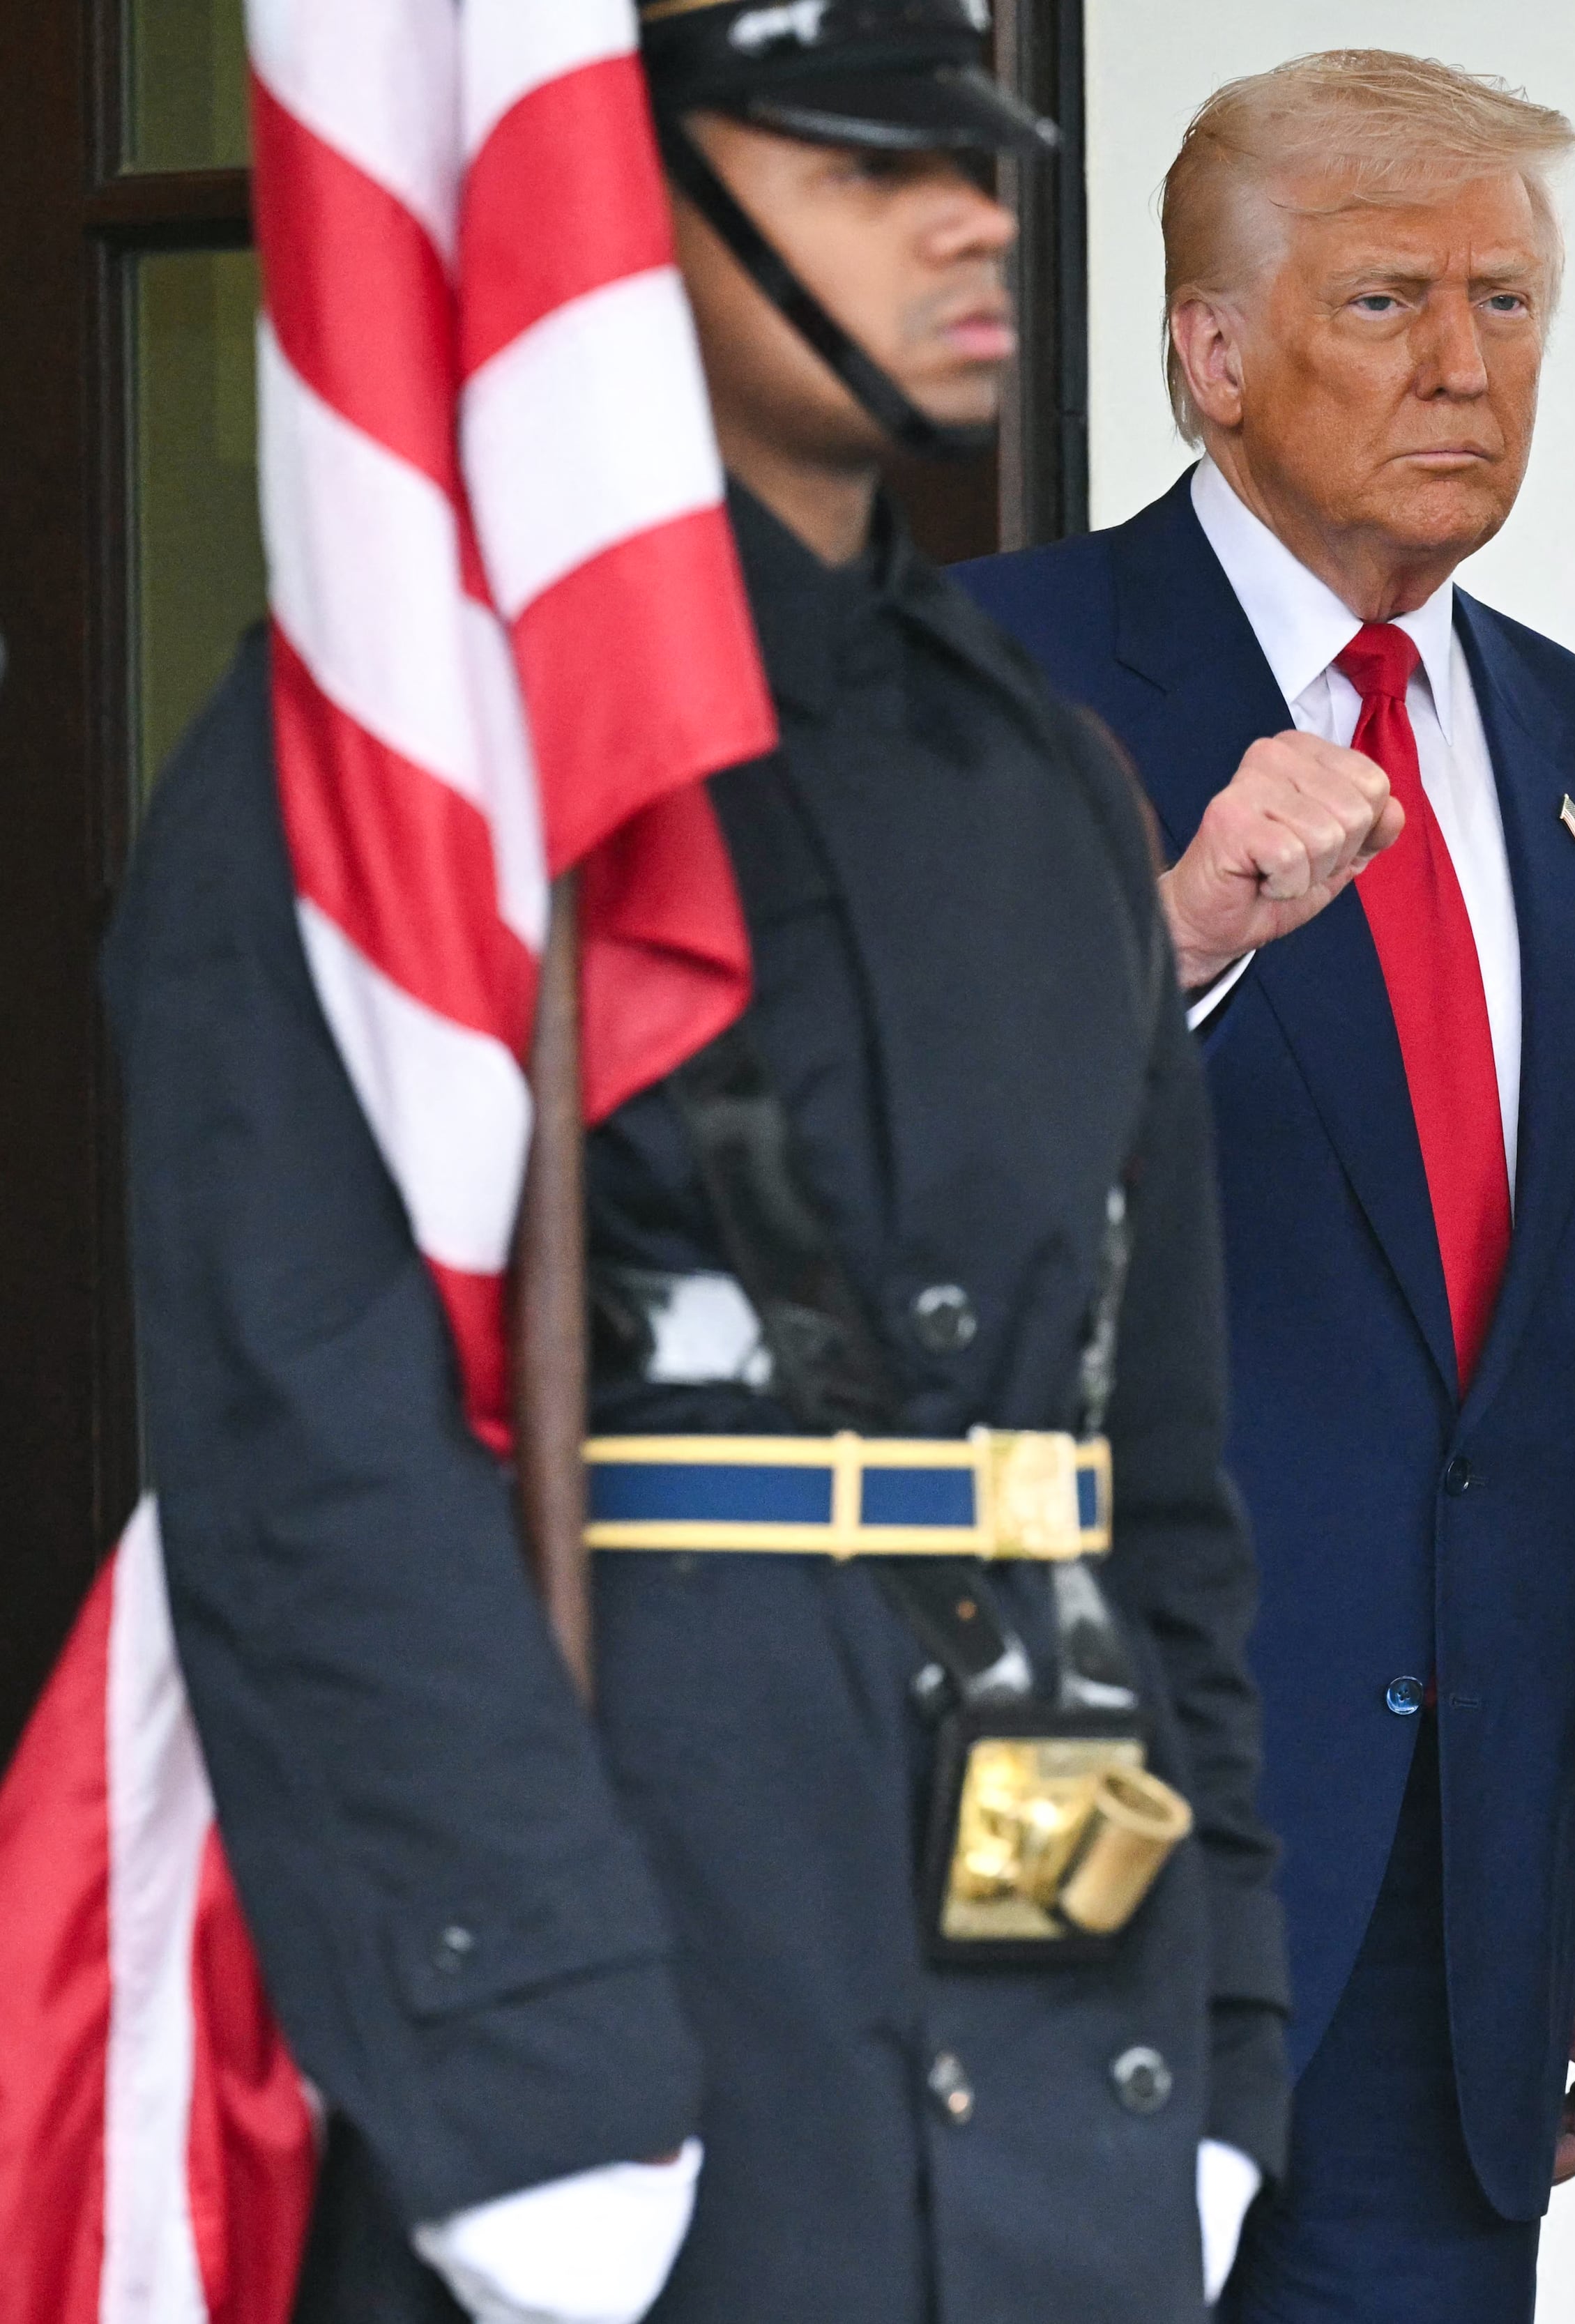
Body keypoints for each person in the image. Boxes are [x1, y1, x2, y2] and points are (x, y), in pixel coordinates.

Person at [107, 3, 1291, 2316]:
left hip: (1068, 2057)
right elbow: (306, 1443)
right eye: (863, 173)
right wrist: (527, 2073)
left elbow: (1154, 1476)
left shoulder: (1042, 778)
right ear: (619, 217)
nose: (971, 221)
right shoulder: (409, 762)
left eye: (970, 161)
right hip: (638, 2033)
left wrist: (1227, 2030)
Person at [956, 49, 1575, 2323]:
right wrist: (1175, 941)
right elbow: (853, 1201)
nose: (1463, 364)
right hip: (1054, 1867)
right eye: (1389, 299)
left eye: (1507, 303)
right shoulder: (968, 686)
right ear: (1210, 353)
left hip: (1456, 1927)